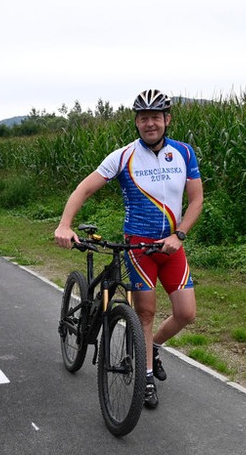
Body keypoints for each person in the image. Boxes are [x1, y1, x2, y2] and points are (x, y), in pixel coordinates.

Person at [53, 89, 203, 410]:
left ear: (167, 120)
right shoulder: (123, 156)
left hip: (172, 245)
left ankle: (154, 347)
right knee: (145, 313)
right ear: (137, 122)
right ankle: (145, 377)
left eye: (156, 117)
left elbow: (196, 200)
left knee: (186, 314)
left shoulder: (184, 154)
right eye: (144, 118)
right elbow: (84, 188)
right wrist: (65, 224)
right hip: (138, 247)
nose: (150, 124)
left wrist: (180, 234)